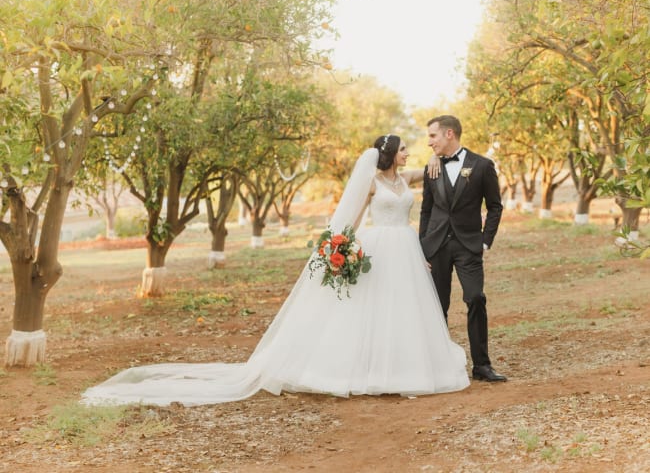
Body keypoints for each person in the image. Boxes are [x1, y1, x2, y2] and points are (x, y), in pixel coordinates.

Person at [82, 134, 469, 406]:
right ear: (388, 154)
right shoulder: (370, 182)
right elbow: (347, 220)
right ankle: (362, 368)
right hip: (376, 248)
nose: (408, 154)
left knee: (401, 310)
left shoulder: (405, 178)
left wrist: (435, 159)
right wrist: (340, 250)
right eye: (403, 149)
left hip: (404, 250)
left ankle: (403, 365)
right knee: (369, 310)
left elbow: (426, 169)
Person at [419, 115, 506, 382]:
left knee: (476, 297)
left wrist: (484, 240)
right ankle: (439, 365)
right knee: (437, 305)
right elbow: (426, 210)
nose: (429, 142)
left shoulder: (481, 165)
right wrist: (422, 249)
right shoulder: (431, 168)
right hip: (436, 247)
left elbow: (494, 207)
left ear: (449, 134)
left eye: (432, 136)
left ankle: (482, 365)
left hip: (469, 245)